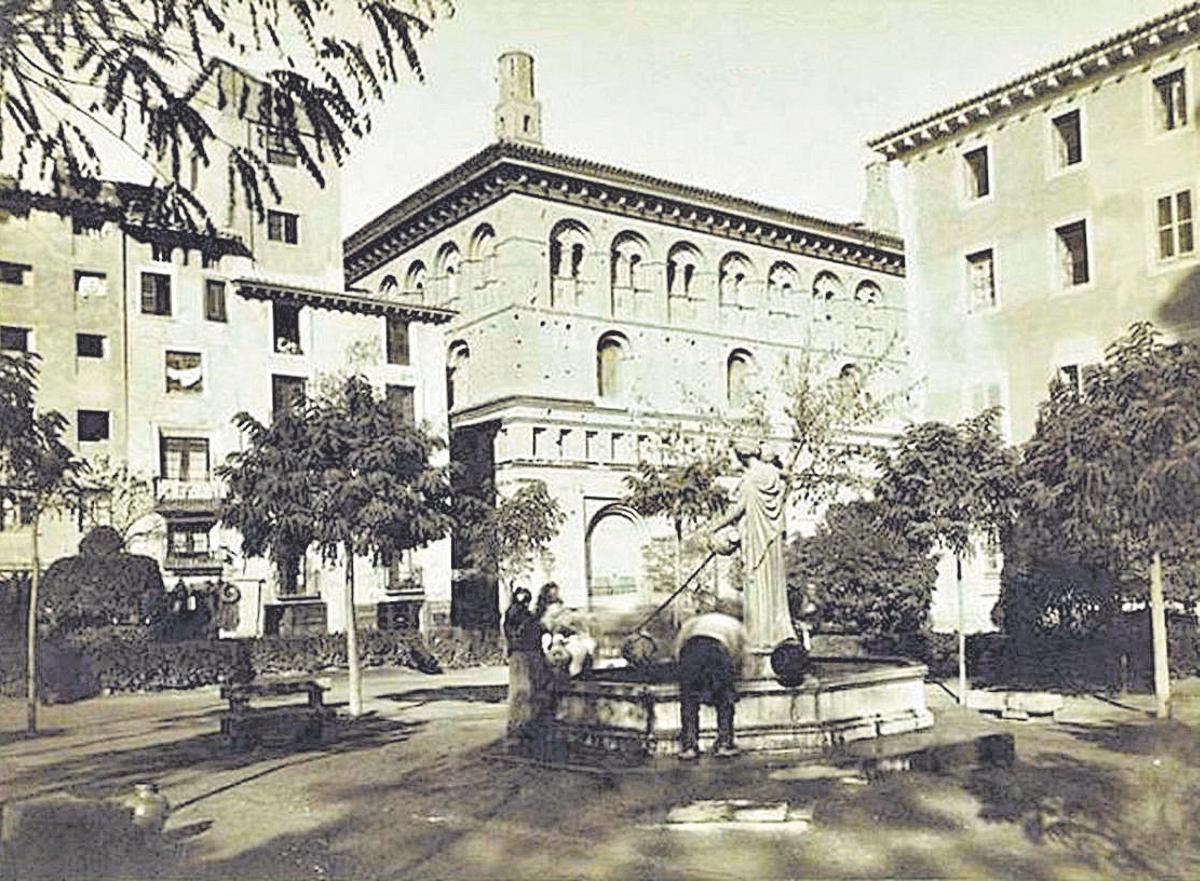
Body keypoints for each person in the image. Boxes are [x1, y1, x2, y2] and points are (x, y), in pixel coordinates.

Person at [706, 439, 796, 656]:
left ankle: (760, 637)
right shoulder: (773, 473)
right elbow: (788, 480)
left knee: (757, 587)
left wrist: (714, 526)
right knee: (773, 586)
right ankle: (779, 634)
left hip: (756, 541)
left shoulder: (750, 478)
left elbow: (738, 509)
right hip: (772, 540)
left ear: (742, 456)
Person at [674, 610, 745, 760]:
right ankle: (724, 744)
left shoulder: (693, 622)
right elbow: (739, 655)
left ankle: (689, 746)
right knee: (724, 699)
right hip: (717, 650)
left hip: (692, 650)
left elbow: (678, 647)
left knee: (689, 701)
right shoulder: (736, 625)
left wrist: (685, 671)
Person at [503, 587, 546, 740]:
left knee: (528, 691)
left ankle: (524, 725)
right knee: (522, 692)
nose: (525, 603)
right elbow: (517, 631)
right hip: (522, 654)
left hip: (528, 653)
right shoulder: (516, 614)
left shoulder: (522, 615)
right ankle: (518, 726)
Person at [536, 581, 596, 677]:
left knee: (586, 645)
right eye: (551, 594)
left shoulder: (562, 609)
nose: (554, 595)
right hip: (553, 639)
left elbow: (570, 621)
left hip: (567, 637)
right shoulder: (543, 611)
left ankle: (580, 671)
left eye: (555, 593)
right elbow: (547, 624)